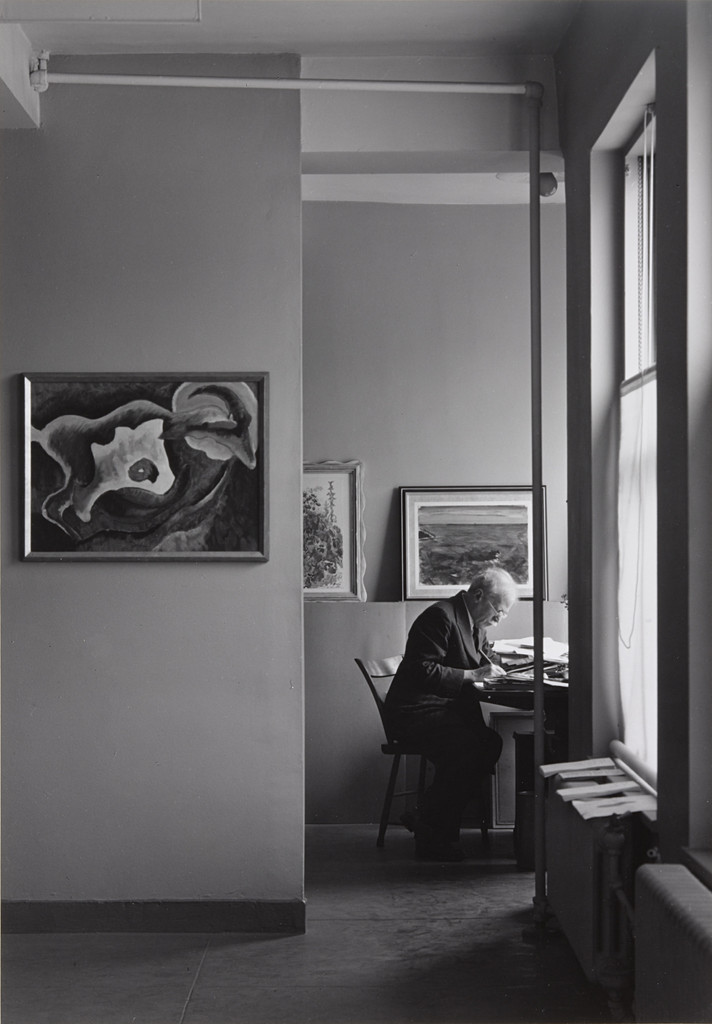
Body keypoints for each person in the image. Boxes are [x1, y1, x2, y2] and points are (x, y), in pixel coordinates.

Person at [384, 566, 518, 861]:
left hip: (440, 709)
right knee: (469, 748)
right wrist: (473, 675)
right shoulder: (440, 616)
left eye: (504, 614)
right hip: (413, 711)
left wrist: (517, 667)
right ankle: (435, 834)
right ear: (479, 596)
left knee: (489, 743)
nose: (500, 619)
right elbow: (421, 670)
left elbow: (487, 657)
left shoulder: (476, 623)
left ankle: (426, 819)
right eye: (499, 610)